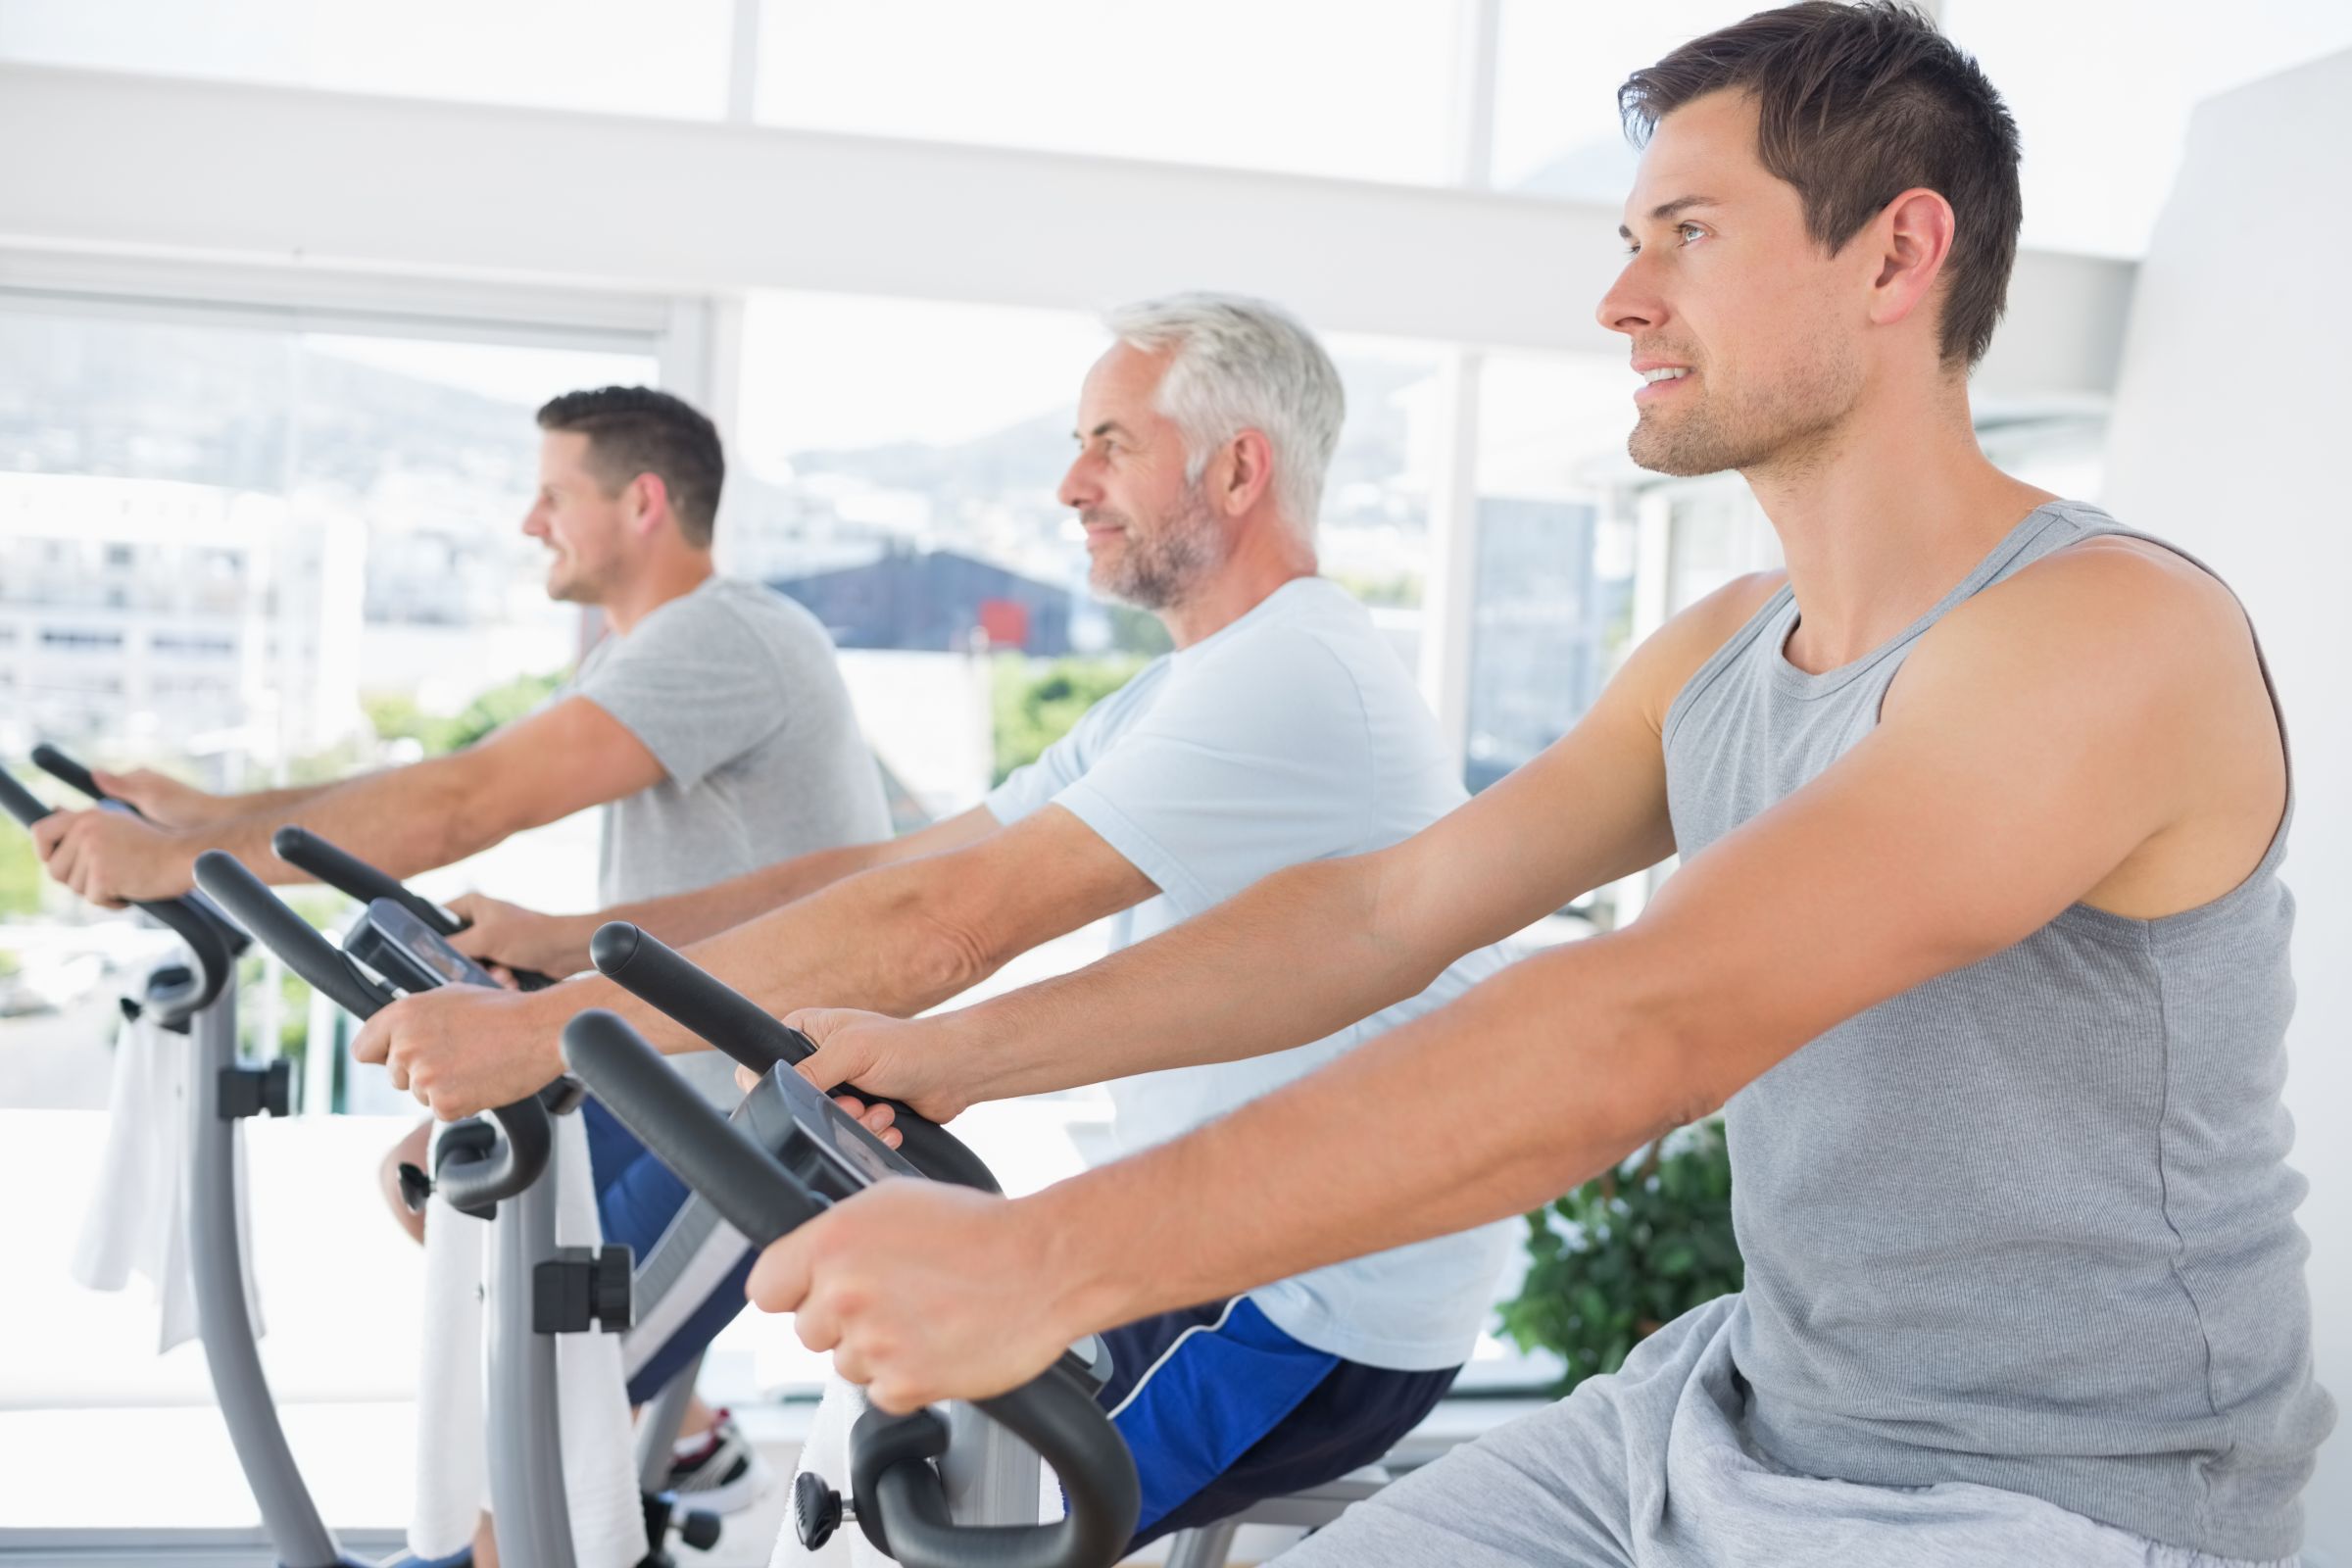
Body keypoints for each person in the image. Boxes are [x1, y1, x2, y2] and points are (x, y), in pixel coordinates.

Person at [684, 7, 2329, 1564]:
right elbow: (1389, 910)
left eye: (1687, 233)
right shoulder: (1722, 654)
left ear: (1898, 252)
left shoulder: (2107, 638)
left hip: (2056, 1501)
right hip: (1732, 1409)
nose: (1622, 301)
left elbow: (1650, 1022)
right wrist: (950, 1057)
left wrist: (1044, 1263)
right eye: (1628, 243)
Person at [352, 294, 1520, 1549]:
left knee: (917, 1515)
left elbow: (942, 928)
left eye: (1111, 443)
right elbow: (902, 864)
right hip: (1193, 1243)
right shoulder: (1187, 684)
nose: (1071, 482)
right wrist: (569, 945)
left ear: (1239, 467)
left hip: (1299, 1304)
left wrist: (540, 1036)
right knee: (880, 1446)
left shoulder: (1293, 674)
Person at [35, 384, 892, 1509]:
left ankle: (620, 1460)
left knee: (532, 1386)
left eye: (551, 494)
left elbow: (464, 802)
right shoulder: (667, 645)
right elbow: (443, 788)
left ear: (642, 501)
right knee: (428, 1179)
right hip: (665, 1063)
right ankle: (682, 1440)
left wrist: (183, 859)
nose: (527, 521)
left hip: (757, 1100)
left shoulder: (722, 635)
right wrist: (204, 819)